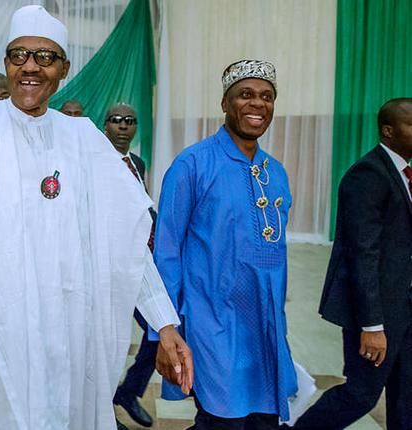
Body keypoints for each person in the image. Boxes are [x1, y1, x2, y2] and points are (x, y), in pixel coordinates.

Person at [0, 6, 192, 429]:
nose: (30, 68)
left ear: (64, 68)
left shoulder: (84, 140)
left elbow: (125, 243)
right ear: (5, 63)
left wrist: (165, 323)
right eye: (19, 55)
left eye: (45, 57)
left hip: (70, 340)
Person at [154, 59, 297, 428]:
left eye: (267, 97)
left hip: (265, 328)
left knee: (264, 418)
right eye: (245, 95)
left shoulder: (275, 172)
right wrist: (165, 329)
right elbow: (166, 251)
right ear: (224, 103)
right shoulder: (192, 165)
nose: (257, 104)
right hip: (212, 324)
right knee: (222, 418)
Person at [290, 98, 412, 430]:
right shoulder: (369, 174)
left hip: (405, 309)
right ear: (388, 131)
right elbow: (362, 254)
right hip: (377, 316)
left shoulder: (404, 173)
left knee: (406, 399)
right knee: (360, 395)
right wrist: (372, 327)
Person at [103, 102, 158, 429]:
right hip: (109, 269)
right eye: (116, 120)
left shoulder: (136, 163)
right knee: (108, 344)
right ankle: (102, 414)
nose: (123, 126)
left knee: (157, 332)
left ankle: (129, 391)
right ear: (105, 125)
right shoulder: (95, 162)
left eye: (130, 121)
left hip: (140, 265)